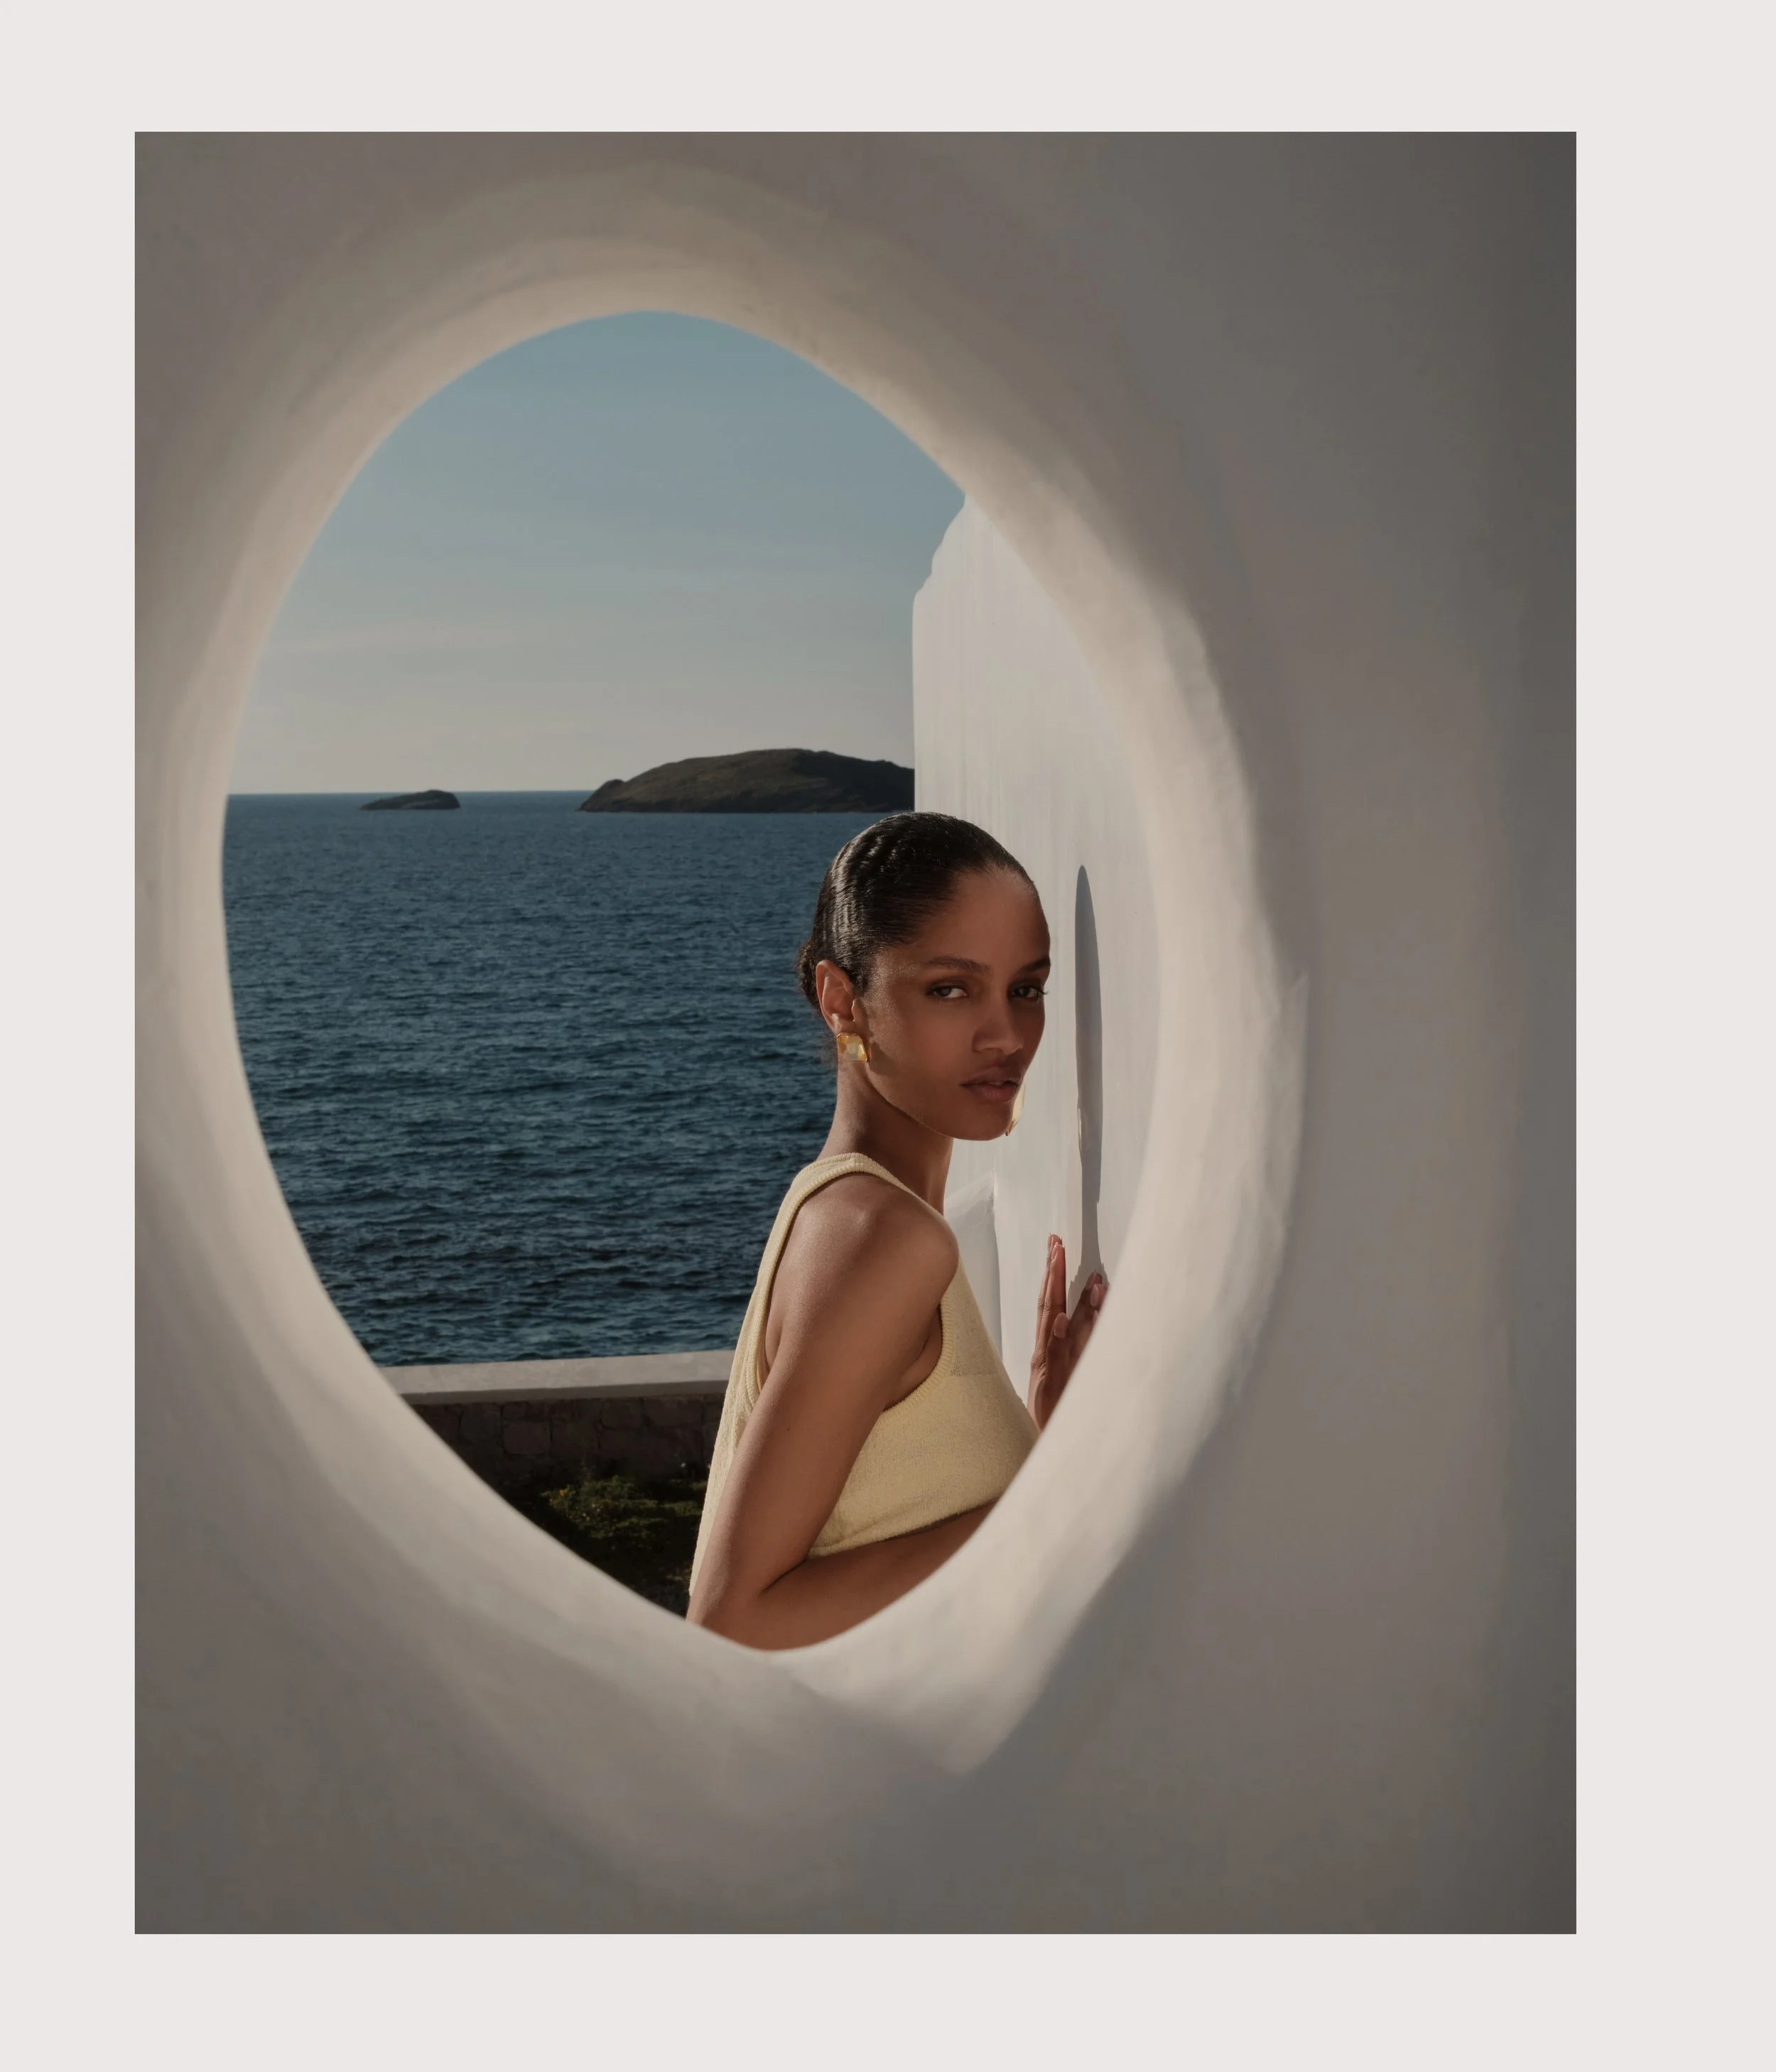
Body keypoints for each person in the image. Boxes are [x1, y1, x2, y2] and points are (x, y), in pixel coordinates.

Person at [686, 811, 1108, 1649]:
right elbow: (734, 1625)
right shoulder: (884, 1238)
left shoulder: (839, 1208)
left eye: (1025, 988)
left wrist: (1037, 1437)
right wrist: (1066, 1485)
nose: (1006, 1035)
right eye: (949, 988)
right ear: (843, 1001)